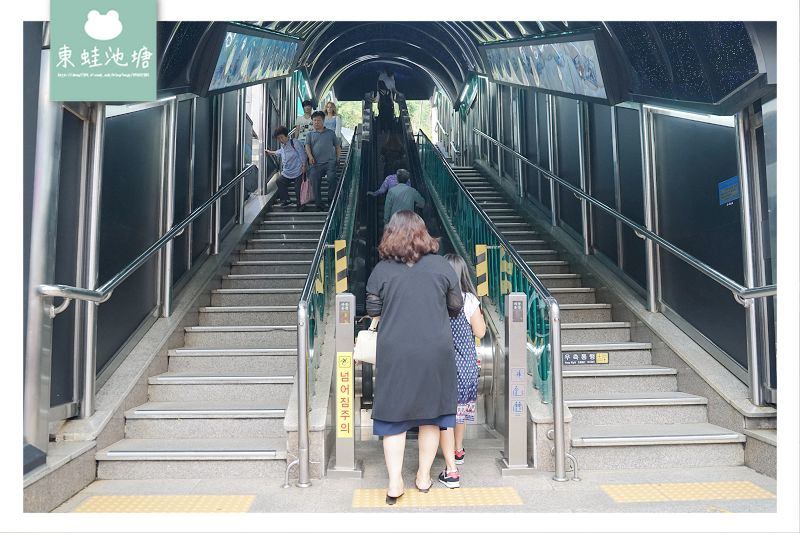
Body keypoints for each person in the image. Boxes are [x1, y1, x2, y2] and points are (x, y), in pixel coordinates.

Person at [365, 210, 463, 505]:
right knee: (431, 417)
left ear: (390, 234)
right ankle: (423, 477)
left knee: (394, 419)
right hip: (435, 348)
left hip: (395, 349)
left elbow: (372, 310)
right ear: (424, 233)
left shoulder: (381, 270)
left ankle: (395, 483)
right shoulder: (442, 267)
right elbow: (456, 305)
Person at [437, 253, 487, 488]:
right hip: (466, 365)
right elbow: (481, 332)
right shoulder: (469, 300)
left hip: (442, 364)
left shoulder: (436, 298)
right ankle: (458, 450)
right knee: (461, 410)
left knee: (445, 413)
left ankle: (450, 464)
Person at [305, 110, 341, 211]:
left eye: (318, 120)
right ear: (312, 121)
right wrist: (310, 157)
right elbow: (307, 147)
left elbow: (338, 146)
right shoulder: (310, 134)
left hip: (330, 162)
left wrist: (338, 158)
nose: (316, 122)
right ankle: (319, 203)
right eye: (314, 120)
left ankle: (331, 200)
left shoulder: (330, 133)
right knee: (315, 182)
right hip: (315, 163)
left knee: (332, 179)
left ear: (323, 121)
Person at [265, 125, 306, 209]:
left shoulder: (294, 142)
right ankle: (286, 200)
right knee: (279, 181)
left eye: (282, 137)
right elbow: (280, 152)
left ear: (287, 135)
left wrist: (304, 165)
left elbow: (302, 154)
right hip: (288, 171)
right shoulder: (283, 146)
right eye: (278, 138)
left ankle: (300, 204)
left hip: (298, 170)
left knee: (298, 188)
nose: (280, 140)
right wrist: (271, 152)